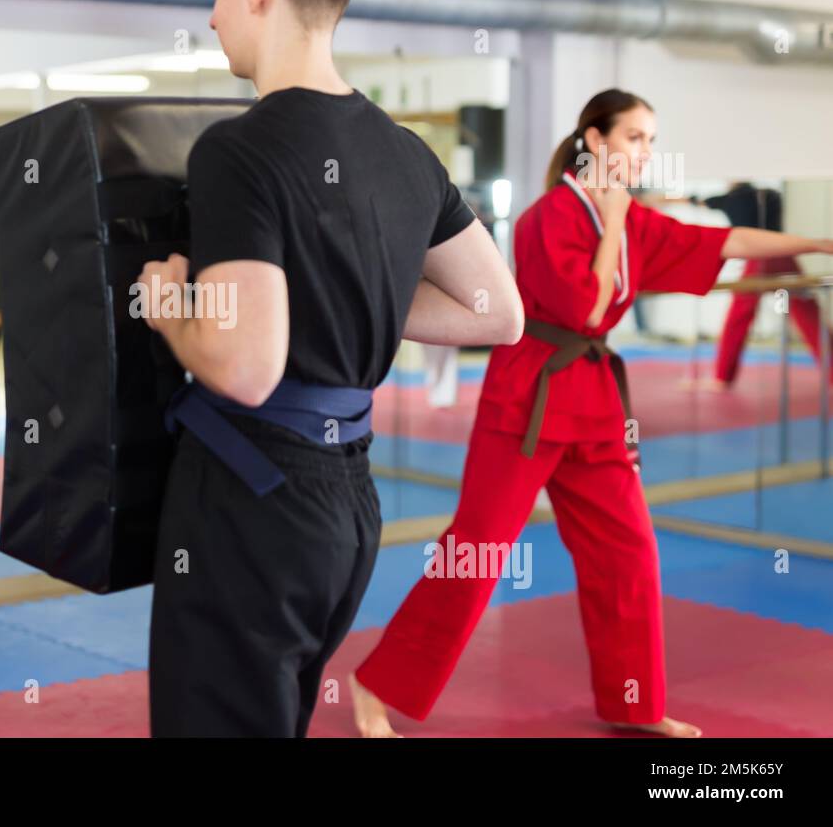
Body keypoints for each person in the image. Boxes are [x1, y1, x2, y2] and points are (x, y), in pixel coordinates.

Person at [136, 0, 524, 738]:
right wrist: (363, 296)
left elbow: (244, 365)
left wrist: (167, 304)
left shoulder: (240, 149)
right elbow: (500, 311)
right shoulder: (404, 151)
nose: (211, 17)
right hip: (347, 503)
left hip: (251, 495)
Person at [349, 88, 833, 738]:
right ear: (597, 143)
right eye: (635, 138)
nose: (645, 153)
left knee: (628, 554)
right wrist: (611, 225)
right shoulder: (547, 218)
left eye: (653, 141)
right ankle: (375, 684)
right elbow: (582, 308)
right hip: (528, 401)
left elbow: (724, 240)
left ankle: (633, 703)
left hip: (597, 404)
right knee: (478, 551)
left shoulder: (629, 218)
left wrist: (823, 244)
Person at [698, 182, 831, 387]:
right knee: (808, 316)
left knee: (738, 317)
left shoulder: (729, 199)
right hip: (785, 255)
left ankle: (722, 377)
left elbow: (694, 201)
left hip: (759, 257)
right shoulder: (772, 195)